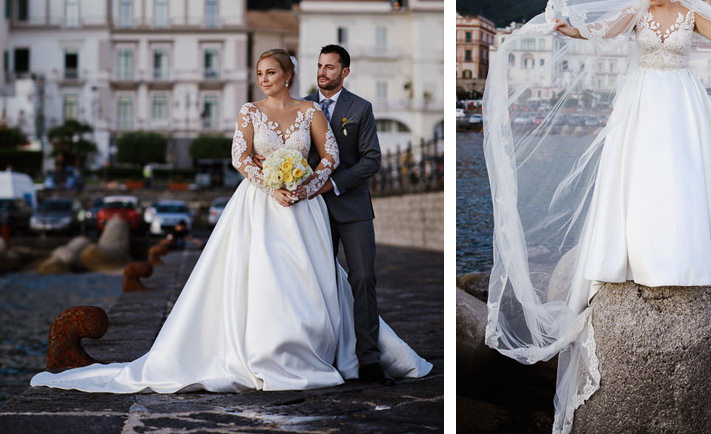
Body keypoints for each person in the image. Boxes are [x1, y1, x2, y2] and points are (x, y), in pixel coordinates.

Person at [482, 0, 711, 434]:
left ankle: (685, 259)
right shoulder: (637, 13)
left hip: (682, 102)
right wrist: (571, 31)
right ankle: (637, 256)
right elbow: (603, 30)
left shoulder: (691, 14)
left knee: (685, 178)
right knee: (641, 177)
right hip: (643, 100)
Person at [31, 48, 431, 393]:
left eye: (270, 72)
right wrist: (271, 184)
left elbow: (331, 158)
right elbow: (240, 158)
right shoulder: (249, 112)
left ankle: (332, 351)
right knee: (263, 276)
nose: (264, 79)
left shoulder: (310, 109)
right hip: (261, 204)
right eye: (259, 74)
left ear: (287, 75)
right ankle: (265, 348)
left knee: (318, 278)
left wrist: (305, 186)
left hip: (306, 205)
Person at [300, 44, 392, 386]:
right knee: (315, 282)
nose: (322, 72)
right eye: (320, 65)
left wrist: (332, 185)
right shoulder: (301, 107)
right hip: (310, 210)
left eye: (330, 67)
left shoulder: (360, 108)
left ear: (345, 72)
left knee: (364, 278)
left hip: (352, 206)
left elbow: (372, 159)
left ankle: (368, 360)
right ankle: (320, 356)